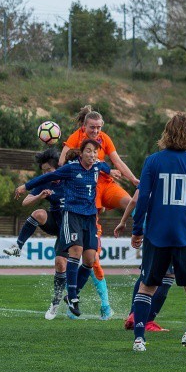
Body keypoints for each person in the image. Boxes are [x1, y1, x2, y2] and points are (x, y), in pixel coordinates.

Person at [15, 139, 121, 317]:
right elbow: (47, 177)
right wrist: (25, 186)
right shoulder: (71, 168)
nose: (92, 155)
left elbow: (106, 167)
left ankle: (72, 294)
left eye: (95, 152)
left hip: (90, 218)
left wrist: (114, 171)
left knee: (89, 259)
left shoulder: (98, 166)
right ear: (81, 153)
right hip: (72, 216)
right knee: (75, 251)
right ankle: (72, 297)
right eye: (88, 151)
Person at [129, 113, 186, 352]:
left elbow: (143, 198)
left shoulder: (152, 161)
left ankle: (139, 339)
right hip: (185, 233)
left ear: (166, 132)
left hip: (157, 233)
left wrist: (137, 230)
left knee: (147, 286)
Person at [60, 106, 139, 319]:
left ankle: (143, 233)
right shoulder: (75, 138)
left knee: (133, 202)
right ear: (84, 127)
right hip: (89, 190)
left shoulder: (105, 138)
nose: (96, 132)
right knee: (92, 256)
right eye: (92, 128)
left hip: (107, 185)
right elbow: (61, 162)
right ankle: (87, 300)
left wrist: (133, 179)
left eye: (99, 128)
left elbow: (117, 161)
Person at [6, 148, 68, 320]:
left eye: (49, 170)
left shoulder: (69, 177)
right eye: (44, 171)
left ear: (59, 167)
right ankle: (17, 246)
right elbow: (26, 202)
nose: (46, 174)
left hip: (70, 227)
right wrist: (39, 196)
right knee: (38, 213)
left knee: (61, 264)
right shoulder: (45, 182)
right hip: (55, 222)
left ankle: (56, 302)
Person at [115, 189, 175, 333]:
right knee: (167, 275)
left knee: (146, 274)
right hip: (169, 228)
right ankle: (147, 320)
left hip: (149, 229)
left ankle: (133, 315)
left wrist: (123, 221)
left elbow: (135, 200)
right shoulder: (176, 170)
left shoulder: (151, 171)